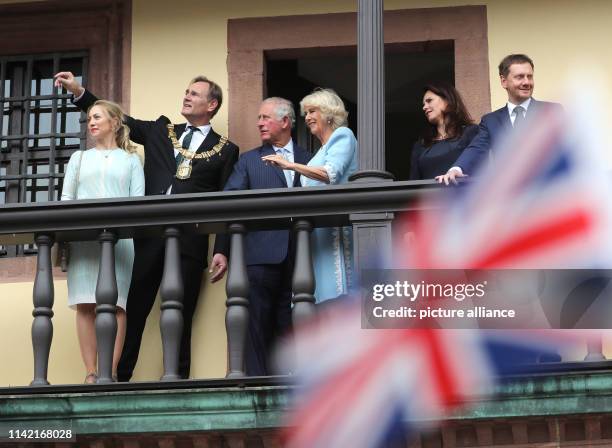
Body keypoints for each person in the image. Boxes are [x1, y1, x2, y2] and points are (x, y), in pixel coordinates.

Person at [54, 72, 239, 381]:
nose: (187, 96)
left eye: (194, 93)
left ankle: (177, 382)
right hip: (147, 238)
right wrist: (78, 91)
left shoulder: (226, 149)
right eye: (186, 91)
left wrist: (222, 250)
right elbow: (118, 118)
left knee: (181, 314)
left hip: (189, 241)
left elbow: (226, 204)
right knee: (132, 309)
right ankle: (117, 378)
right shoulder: (160, 130)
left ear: (212, 104)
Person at [212, 97, 311, 376]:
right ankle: (258, 384)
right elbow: (228, 205)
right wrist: (222, 249)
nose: (259, 123)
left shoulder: (309, 159)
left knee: (293, 325)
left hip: (302, 255)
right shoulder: (249, 161)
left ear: (286, 122)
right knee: (256, 324)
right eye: (258, 118)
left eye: (266, 118)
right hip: (259, 255)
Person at [61, 100, 145, 383]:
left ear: (115, 122)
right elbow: (66, 200)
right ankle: (90, 372)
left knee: (117, 305)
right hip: (83, 240)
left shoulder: (131, 160)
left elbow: (138, 203)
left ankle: (110, 370)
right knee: (85, 304)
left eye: (97, 117)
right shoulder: (79, 158)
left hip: (121, 241)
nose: (91, 123)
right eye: (88, 120)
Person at [262, 88, 358, 303]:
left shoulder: (343, 135)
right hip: (319, 231)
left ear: (329, 113)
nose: (308, 118)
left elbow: (330, 174)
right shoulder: (320, 151)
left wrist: (290, 165)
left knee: (339, 299)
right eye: (306, 113)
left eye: (313, 111)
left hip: (336, 228)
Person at [436, 54, 563, 185]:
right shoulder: (490, 121)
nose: (526, 82)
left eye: (529, 76)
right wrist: (457, 168)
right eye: (519, 77)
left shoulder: (552, 111)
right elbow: (476, 148)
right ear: (504, 81)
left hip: (550, 193)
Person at [409, 83, 478, 180]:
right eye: (424, 104)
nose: (424, 107)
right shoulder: (421, 144)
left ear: (448, 101)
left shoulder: (471, 132)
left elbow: (481, 169)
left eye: (429, 101)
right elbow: (413, 183)